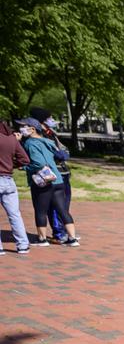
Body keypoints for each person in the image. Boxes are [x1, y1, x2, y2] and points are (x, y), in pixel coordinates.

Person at [19, 118, 80, 247]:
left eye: (23, 126)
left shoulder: (30, 143)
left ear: (32, 129)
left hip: (43, 181)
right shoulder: (48, 141)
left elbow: (38, 163)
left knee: (40, 210)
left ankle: (42, 239)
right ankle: (73, 238)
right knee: (63, 210)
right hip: (58, 179)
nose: (21, 129)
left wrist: (24, 167)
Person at [30, 108, 71, 243]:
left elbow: (63, 150)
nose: (52, 120)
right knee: (53, 206)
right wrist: (59, 154)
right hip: (51, 174)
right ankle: (59, 233)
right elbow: (53, 153)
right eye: (49, 118)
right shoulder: (38, 135)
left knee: (63, 205)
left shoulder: (51, 133)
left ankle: (66, 232)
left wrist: (63, 153)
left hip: (63, 173)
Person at [0, 121, 32, 255]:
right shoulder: (12, 139)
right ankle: (23, 245)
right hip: (8, 180)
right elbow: (25, 160)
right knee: (14, 214)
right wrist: (11, 165)